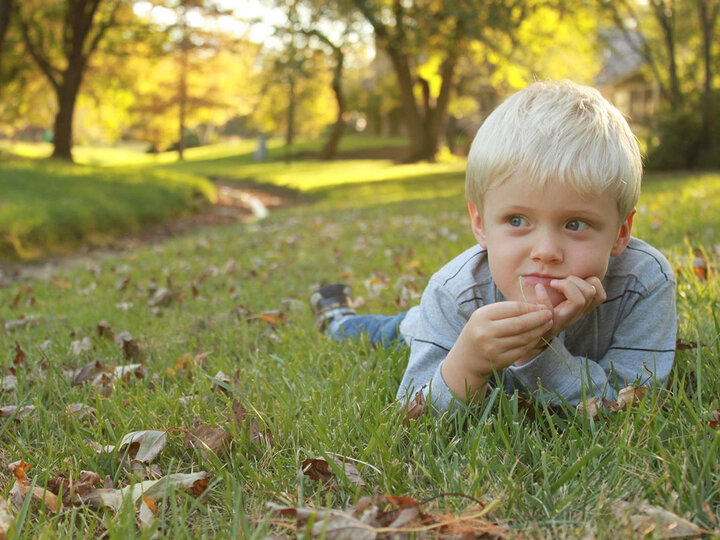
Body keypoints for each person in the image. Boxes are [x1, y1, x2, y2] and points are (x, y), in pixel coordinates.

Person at [311, 80, 676, 413]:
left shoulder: (643, 282)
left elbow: (628, 407)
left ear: (621, 233)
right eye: (517, 221)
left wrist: (539, 351)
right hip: (434, 326)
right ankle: (336, 316)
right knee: (387, 332)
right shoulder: (454, 293)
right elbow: (415, 413)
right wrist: (466, 364)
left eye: (575, 224)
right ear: (481, 225)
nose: (546, 251)